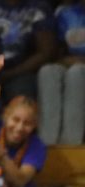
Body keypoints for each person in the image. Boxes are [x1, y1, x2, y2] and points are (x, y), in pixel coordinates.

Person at [36, 0, 85, 146]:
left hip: (79, 69)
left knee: (77, 74)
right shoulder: (65, 13)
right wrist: (65, 60)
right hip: (71, 63)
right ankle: (46, 143)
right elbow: (56, 52)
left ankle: (71, 144)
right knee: (48, 71)